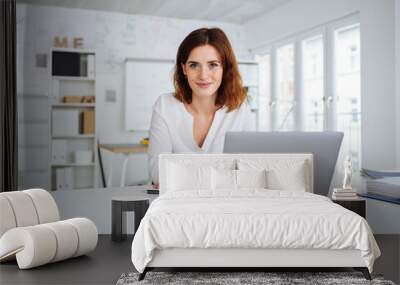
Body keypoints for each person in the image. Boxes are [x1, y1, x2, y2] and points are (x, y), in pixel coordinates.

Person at [148, 27, 254, 188]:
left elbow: (248, 172)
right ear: (184, 69)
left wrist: (181, 177)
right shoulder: (165, 106)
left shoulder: (240, 109)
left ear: (224, 67)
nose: (203, 75)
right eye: (194, 65)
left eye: (213, 64)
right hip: (177, 206)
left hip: (227, 206)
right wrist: (221, 177)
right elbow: (158, 174)